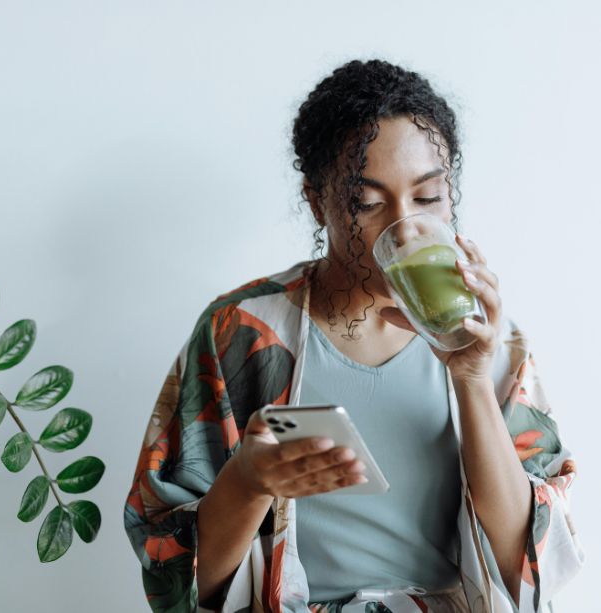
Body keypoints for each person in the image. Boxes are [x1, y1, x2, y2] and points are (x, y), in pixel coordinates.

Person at [123, 59, 583, 612]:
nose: (406, 225)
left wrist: (470, 377)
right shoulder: (239, 331)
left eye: (429, 196)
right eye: (367, 203)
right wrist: (247, 480)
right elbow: (172, 572)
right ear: (317, 201)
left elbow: (530, 568)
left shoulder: (492, 341)